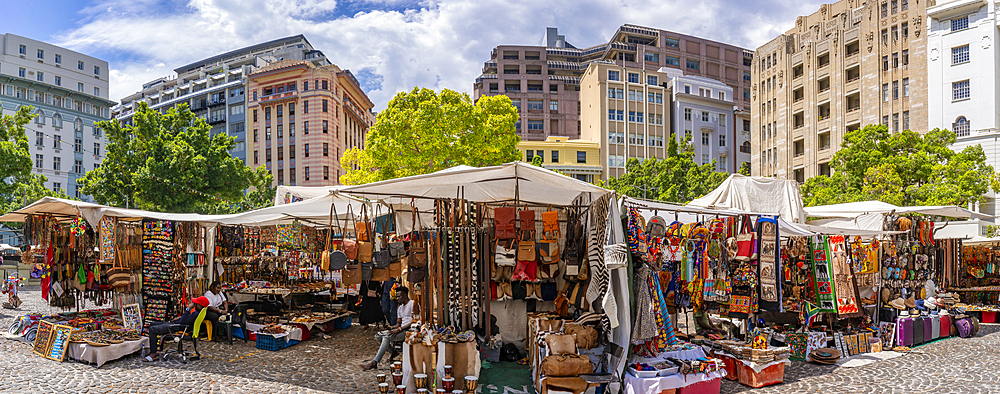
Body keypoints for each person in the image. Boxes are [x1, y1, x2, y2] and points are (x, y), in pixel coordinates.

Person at [361, 286, 418, 370]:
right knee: (378, 336)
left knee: (386, 337)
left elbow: (414, 321)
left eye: (399, 296)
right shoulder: (400, 308)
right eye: (397, 296)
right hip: (401, 329)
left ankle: (375, 362)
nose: (397, 298)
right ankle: (393, 352)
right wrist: (391, 327)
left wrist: (399, 329)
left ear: (405, 295)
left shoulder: (412, 304)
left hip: (410, 331)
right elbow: (398, 323)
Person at [143, 296, 209, 362]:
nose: (193, 305)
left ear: (200, 306)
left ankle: (153, 354)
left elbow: (183, 322)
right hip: (178, 325)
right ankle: (153, 349)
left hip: (177, 327)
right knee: (152, 324)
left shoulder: (196, 314)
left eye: (195, 304)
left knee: (152, 329)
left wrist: (188, 308)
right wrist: (180, 317)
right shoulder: (198, 313)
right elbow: (186, 319)